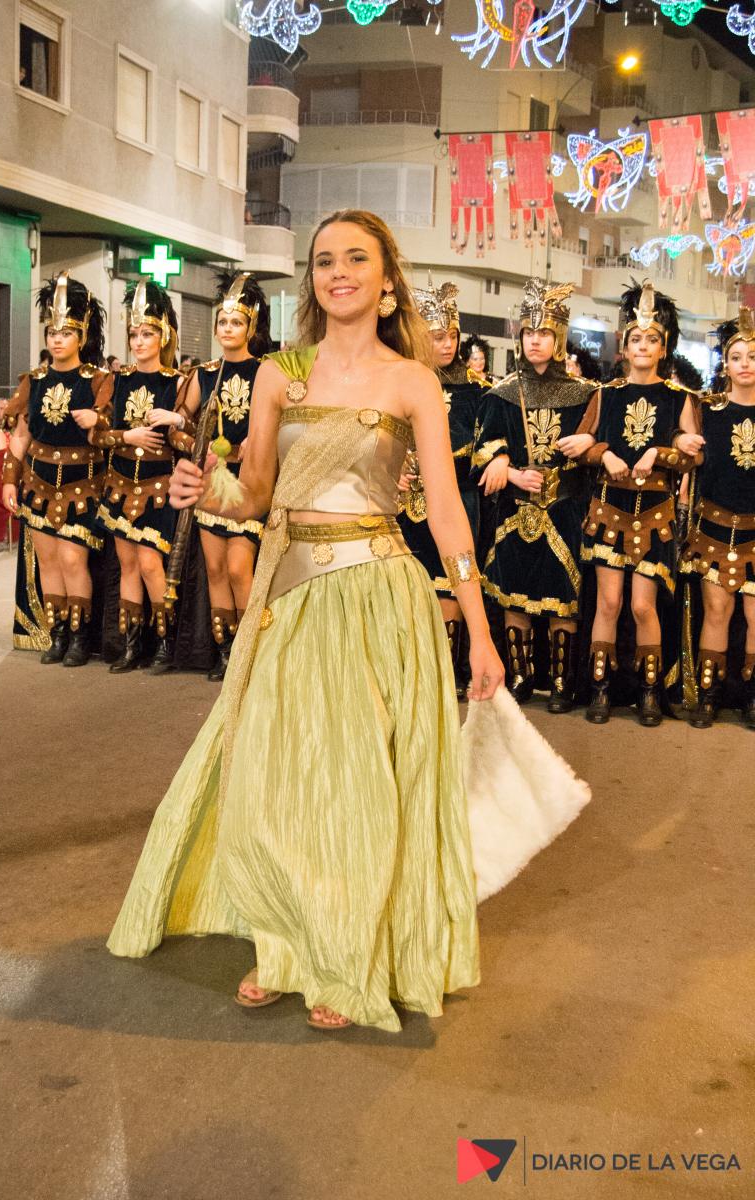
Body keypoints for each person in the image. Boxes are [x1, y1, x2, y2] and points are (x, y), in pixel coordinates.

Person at [107, 209, 508, 1033]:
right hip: (288, 596)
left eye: (356, 259)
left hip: (377, 599)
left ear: (387, 281)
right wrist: (207, 488)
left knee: (357, 782)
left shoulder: (413, 381)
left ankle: (345, 954)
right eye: (324, 261)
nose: (339, 272)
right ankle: (285, 941)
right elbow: (254, 492)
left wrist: (478, 626)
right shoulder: (278, 375)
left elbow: (445, 513)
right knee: (276, 773)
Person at [471, 279, 597, 712]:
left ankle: (562, 683)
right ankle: (520, 676)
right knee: (515, 595)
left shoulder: (585, 395)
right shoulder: (503, 394)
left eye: (544, 332)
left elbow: (602, 444)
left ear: (558, 338)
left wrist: (589, 443)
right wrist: (505, 468)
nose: (535, 340)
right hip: (516, 511)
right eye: (528, 332)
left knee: (564, 599)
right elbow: (483, 449)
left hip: (566, 509)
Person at [579, 280, 701, 725]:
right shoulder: (605, 394)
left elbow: (693, 456)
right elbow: (584, 445)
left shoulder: (679, 398)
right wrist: (605, 454)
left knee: (642, 606)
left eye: (651, 339)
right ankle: (600, 689)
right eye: (636, 339)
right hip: (609, 511)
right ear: (624, 347)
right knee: (608, 604)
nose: (643, 346)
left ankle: (650, 691)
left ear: (663, 348)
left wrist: (659, 453)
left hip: (655, 517)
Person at [1, 273, 111, 664]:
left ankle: (80, 638)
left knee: (72, 561)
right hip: (38, 482)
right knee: (47, 562)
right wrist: (9, 480)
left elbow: (111, 433)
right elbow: (20, 437)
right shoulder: (33, 382)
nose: (57, 339)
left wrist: (97, 421)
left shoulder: (99, 380)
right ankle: (58, 634)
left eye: (66, 333)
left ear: (81, 336)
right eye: (52, 332)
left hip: (83, 484)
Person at [171, 273, 270, 680]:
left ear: (251, 328)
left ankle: (249, 653)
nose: (228, 329)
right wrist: (198, 446)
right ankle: (225, 651)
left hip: (250, 484)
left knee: (238, 568)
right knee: (214, 569)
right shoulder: (204, 374)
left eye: (237, 322)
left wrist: (245, 448)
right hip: (211, 484)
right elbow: (179, 426)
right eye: (223, 322)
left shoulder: (266, 372)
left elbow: (278, 427)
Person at [398, 278, 487, 694]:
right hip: (404, 502)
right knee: (408, 588)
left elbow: (487, 444)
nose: (448, 344)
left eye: (452, 335)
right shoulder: (402, 381)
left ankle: (447, 672)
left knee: (452, 583)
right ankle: (409, 671)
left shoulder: (478, 390)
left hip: (456, 499)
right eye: (437, 336)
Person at [92, 281, 183, 674]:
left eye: (147, 334)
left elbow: (191, 436)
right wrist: (126, 436)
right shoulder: (118, 379)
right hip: (119, 484)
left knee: (149, 565)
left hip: (158, 487)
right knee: (127, 565)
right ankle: (132, 646)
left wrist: (177, 421)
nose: (139, 341)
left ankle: (165, 644)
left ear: (163, 336)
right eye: (134, 334)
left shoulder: (176, 381)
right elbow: (97, 436)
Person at [680, 306, 755, 728]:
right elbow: (687, 459)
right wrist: (681, 443)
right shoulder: (707, 411)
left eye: (753, 357)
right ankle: (708, 696)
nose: (745, 364)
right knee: (716, 611)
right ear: (725, 364)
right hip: (713, 527)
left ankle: (752, 697)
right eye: (737, 357)